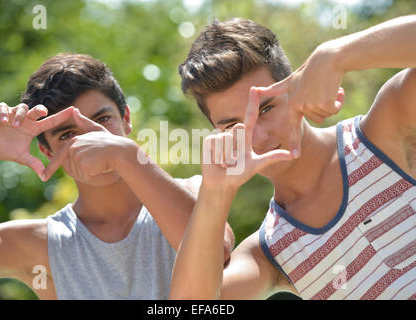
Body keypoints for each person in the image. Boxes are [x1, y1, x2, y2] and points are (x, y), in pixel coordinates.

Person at [170, 16, 415, 300]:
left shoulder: (384, 135)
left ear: (294, 87)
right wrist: (215, 192)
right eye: (234, 126)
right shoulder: (270, 252)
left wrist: (338, 54)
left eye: (266, 109)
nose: (258, 137)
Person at [0, 53, 234, 300]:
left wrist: (127, 156)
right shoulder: (41, 243)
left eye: (102, 119)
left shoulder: (194, 191)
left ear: (126, 119)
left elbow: (216, 254)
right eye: (67, 134)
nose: (91, 138)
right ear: (47, 152)